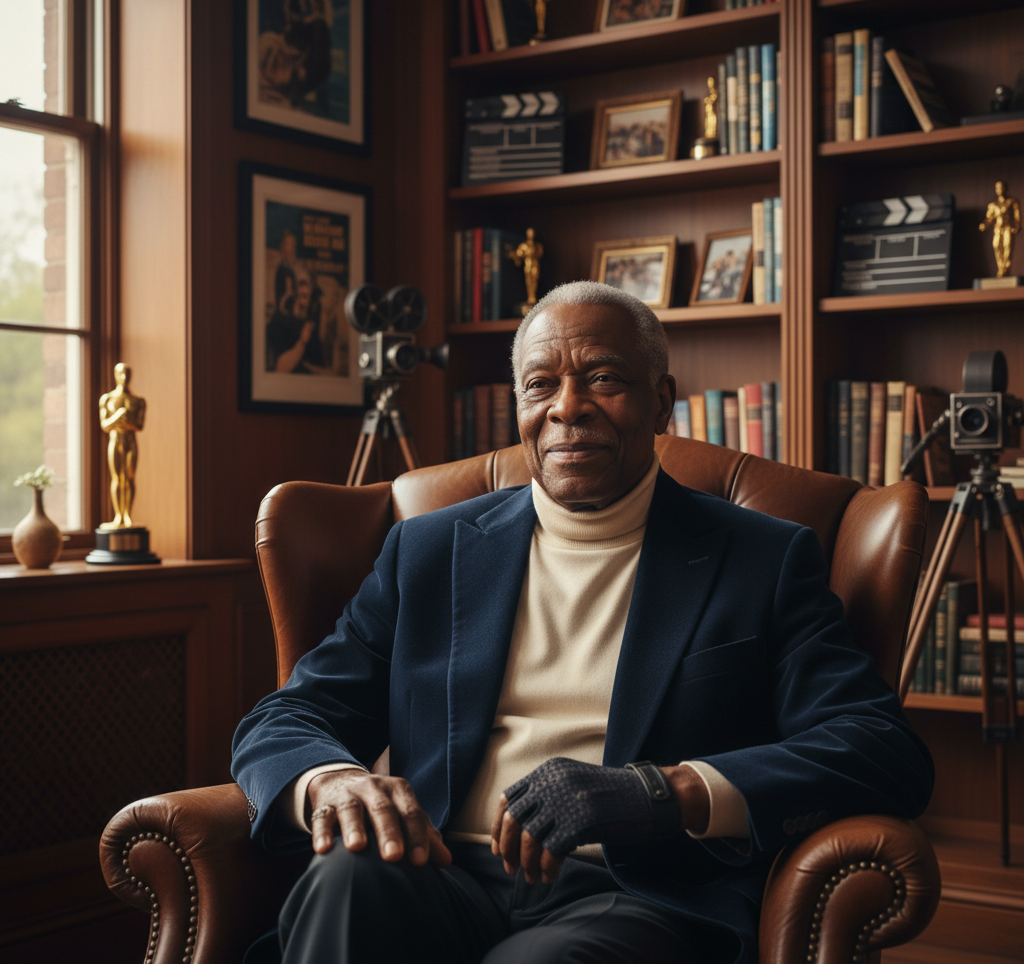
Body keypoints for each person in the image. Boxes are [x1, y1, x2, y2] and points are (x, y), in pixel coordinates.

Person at [232, 282, 933, 964]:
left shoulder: (763, 559)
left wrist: (664, 791)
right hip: (437, 867)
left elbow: (879, 748)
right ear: (520, 407)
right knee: (345, 881)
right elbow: (288, 717)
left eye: (603, 378)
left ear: (661, 402)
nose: (569, 408)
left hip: (632, 891)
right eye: (541, 385)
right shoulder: (429, 550)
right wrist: (330, 780)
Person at [98, 362, 146, 528]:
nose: (124, 377)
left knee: (130, 477)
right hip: (116, 439)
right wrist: (118, 417)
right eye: (121, 373)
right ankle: (118, 515)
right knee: (117, 477)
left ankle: (127, 515)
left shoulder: (138, 401)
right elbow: (105, 425)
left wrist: (126, 422)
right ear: (115, 375)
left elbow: (139, 425)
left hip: (130, 440)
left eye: (127, 374)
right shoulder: (108, 399)